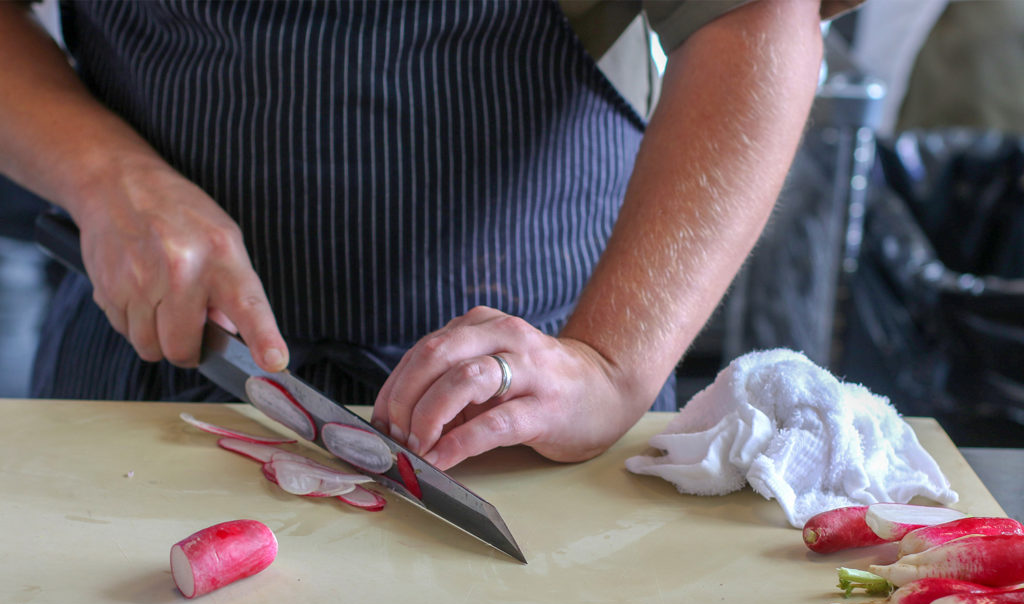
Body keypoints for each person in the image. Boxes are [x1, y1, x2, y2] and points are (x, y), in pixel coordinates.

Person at [0, 0, 854, 471]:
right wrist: (109, 177)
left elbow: (753, 17)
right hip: (144, 383)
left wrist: (606, 363)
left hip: (530, 424)